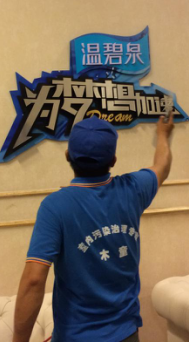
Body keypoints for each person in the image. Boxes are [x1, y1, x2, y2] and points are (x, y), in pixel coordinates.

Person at [12, 112, 175, 342]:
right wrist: (163, 134)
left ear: (68, 155)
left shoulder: (55, 206)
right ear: (113, 160)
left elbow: (34, 280)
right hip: (127, 334)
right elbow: (162, 166)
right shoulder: (133, 189)